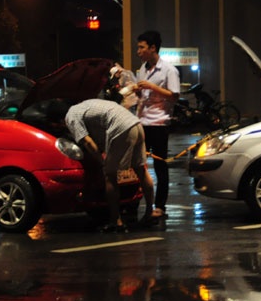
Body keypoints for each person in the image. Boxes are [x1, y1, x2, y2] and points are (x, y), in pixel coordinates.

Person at [64, 98, 155, 233]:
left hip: (121, 127)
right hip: (136, 123)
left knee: (110, 175)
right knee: (140, 169)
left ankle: (115, 221)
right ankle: (149, 213)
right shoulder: (87, 105)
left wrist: (102, 163)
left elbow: (88, 143)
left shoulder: (70, 116)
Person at [134, 30, 180, 222]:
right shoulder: (142, 69)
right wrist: (135, 90)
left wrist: (152, 87)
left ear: (153, 48)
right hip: (142, 122)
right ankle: (137, 203)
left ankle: (160, 206)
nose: (138, 51)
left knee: (160, 166)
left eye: (141, 47)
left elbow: (175, 95)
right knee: (137, 166)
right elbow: (140, 96)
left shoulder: (169, 70)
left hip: (159, 123)